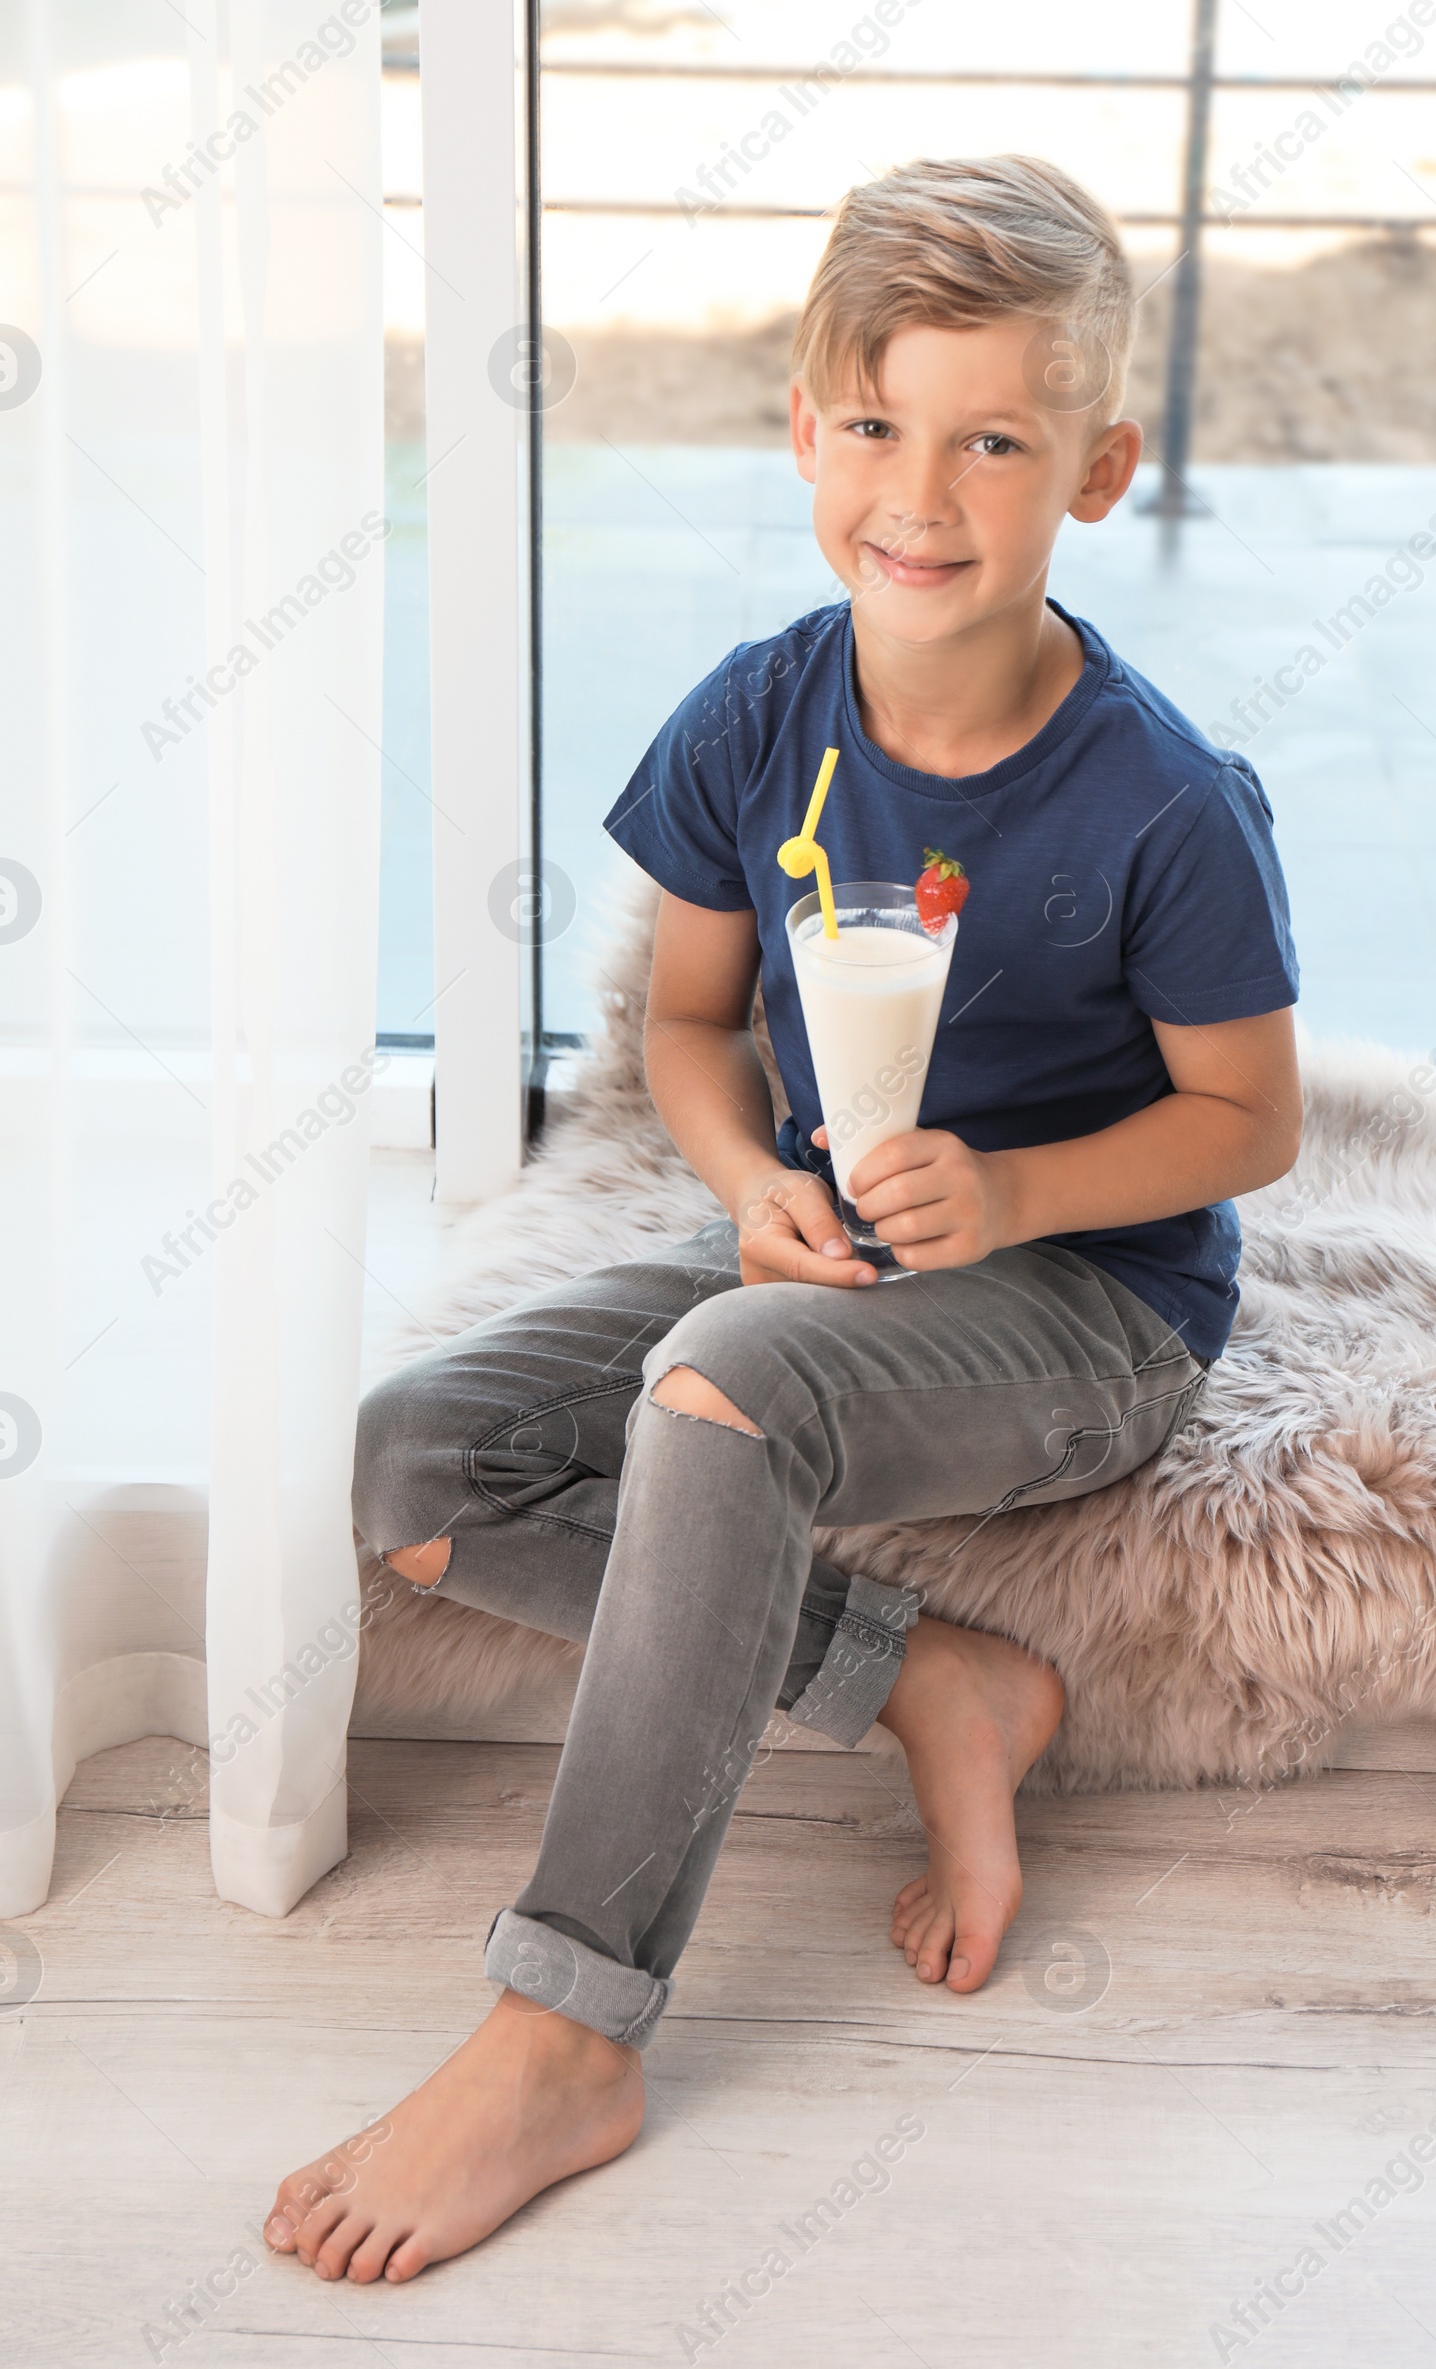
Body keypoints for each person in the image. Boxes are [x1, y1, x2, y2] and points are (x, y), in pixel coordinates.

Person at [265, 153, 1301, 2284]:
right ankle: (926, 1676)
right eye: (870, 426)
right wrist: (747, 1186)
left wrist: (1012, 1184)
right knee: (413, 1460)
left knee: (716, 1396)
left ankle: (568, 2024)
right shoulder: (760, 718)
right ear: (802, 431)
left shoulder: (1156, 800)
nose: (916, 496)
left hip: (1082, 1304)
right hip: (831, 1252)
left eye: (989, 441)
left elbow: (1246, 1119)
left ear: (1091, 469)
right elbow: (694, 1029)